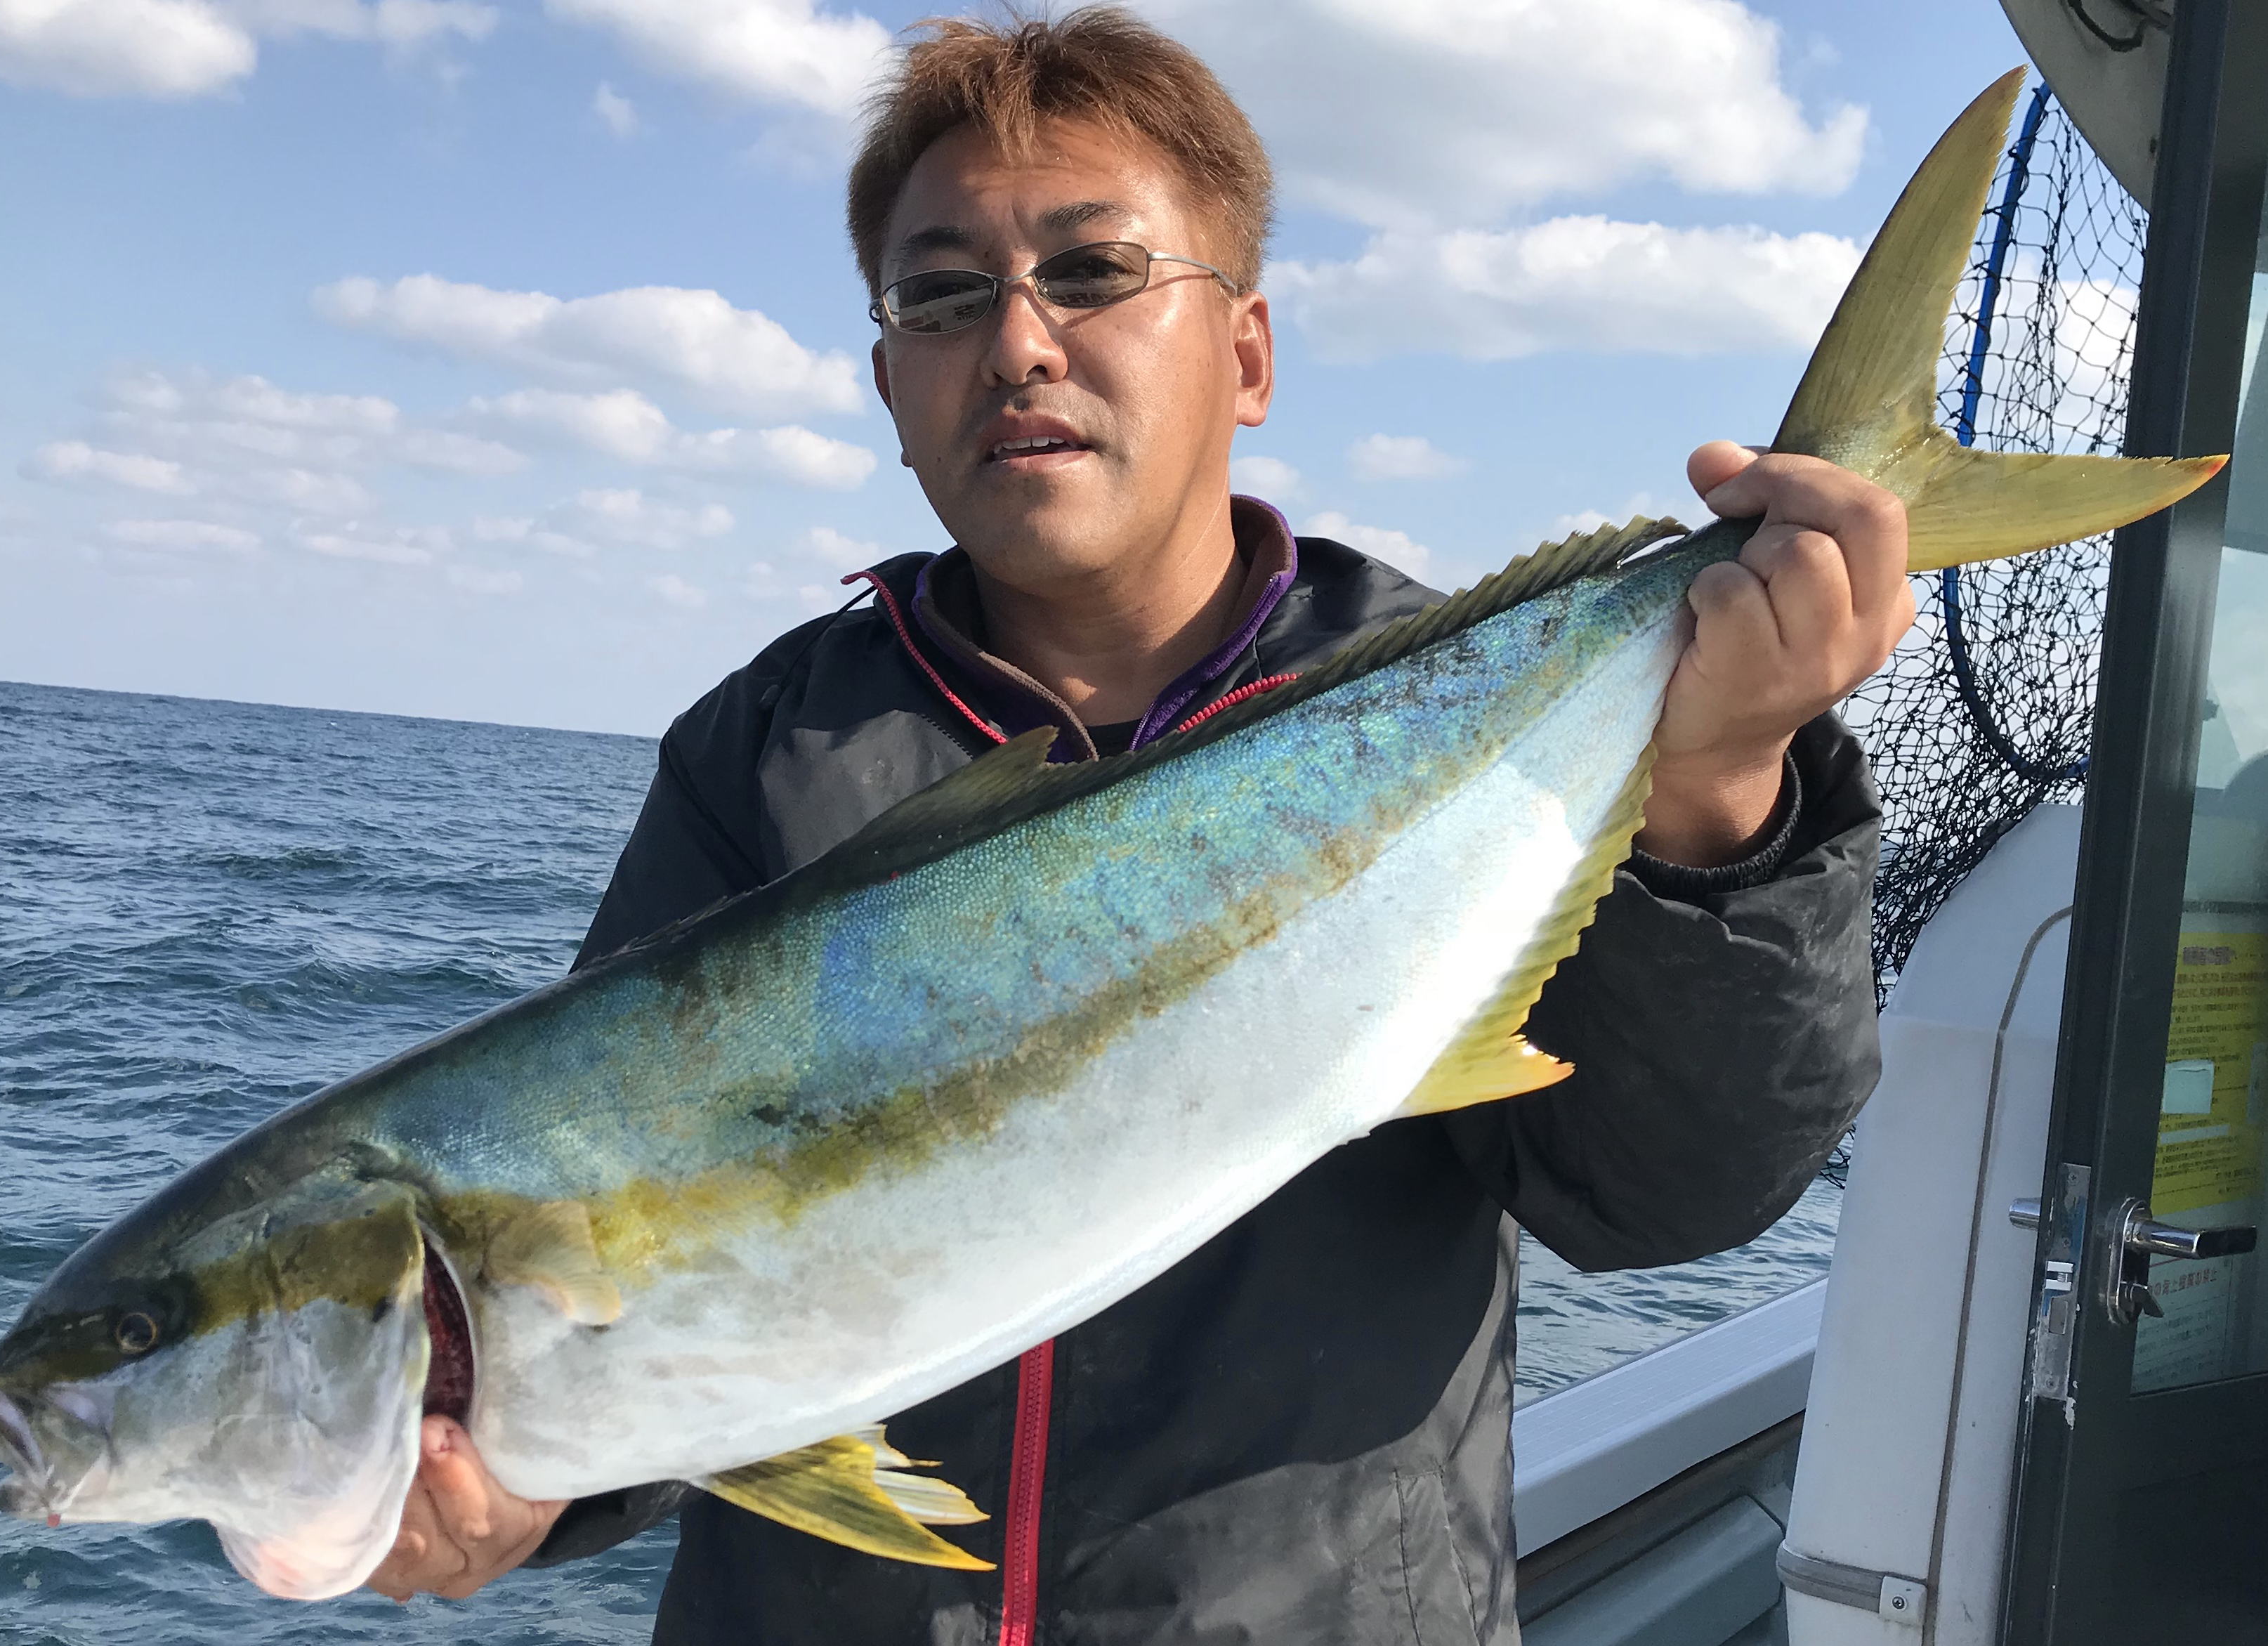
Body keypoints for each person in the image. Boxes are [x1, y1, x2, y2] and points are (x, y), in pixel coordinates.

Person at [366, 8, 1910, 1641]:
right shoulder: (765, 752)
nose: (1017, 344)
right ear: (889, 384)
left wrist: (1722, 792)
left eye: (1093, 271)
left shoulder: (1456, 702)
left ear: (1247, 355)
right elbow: (642, 1243)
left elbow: (1667, 1195)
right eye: (943, 297)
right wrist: (530, 1473)